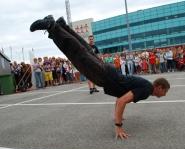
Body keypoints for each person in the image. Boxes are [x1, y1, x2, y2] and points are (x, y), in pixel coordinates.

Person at [30, 15, 170, 140]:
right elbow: (122, 101)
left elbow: (120, 98)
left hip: (108, 73)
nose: (164, 95)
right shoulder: (146, 90)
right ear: (159, 87)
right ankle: (51, 26)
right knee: (78, 54)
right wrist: (118, 125)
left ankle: (62, 26)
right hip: (105, 76)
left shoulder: (146, 86)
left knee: (85, 50)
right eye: (165, 92)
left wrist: (118, 115)